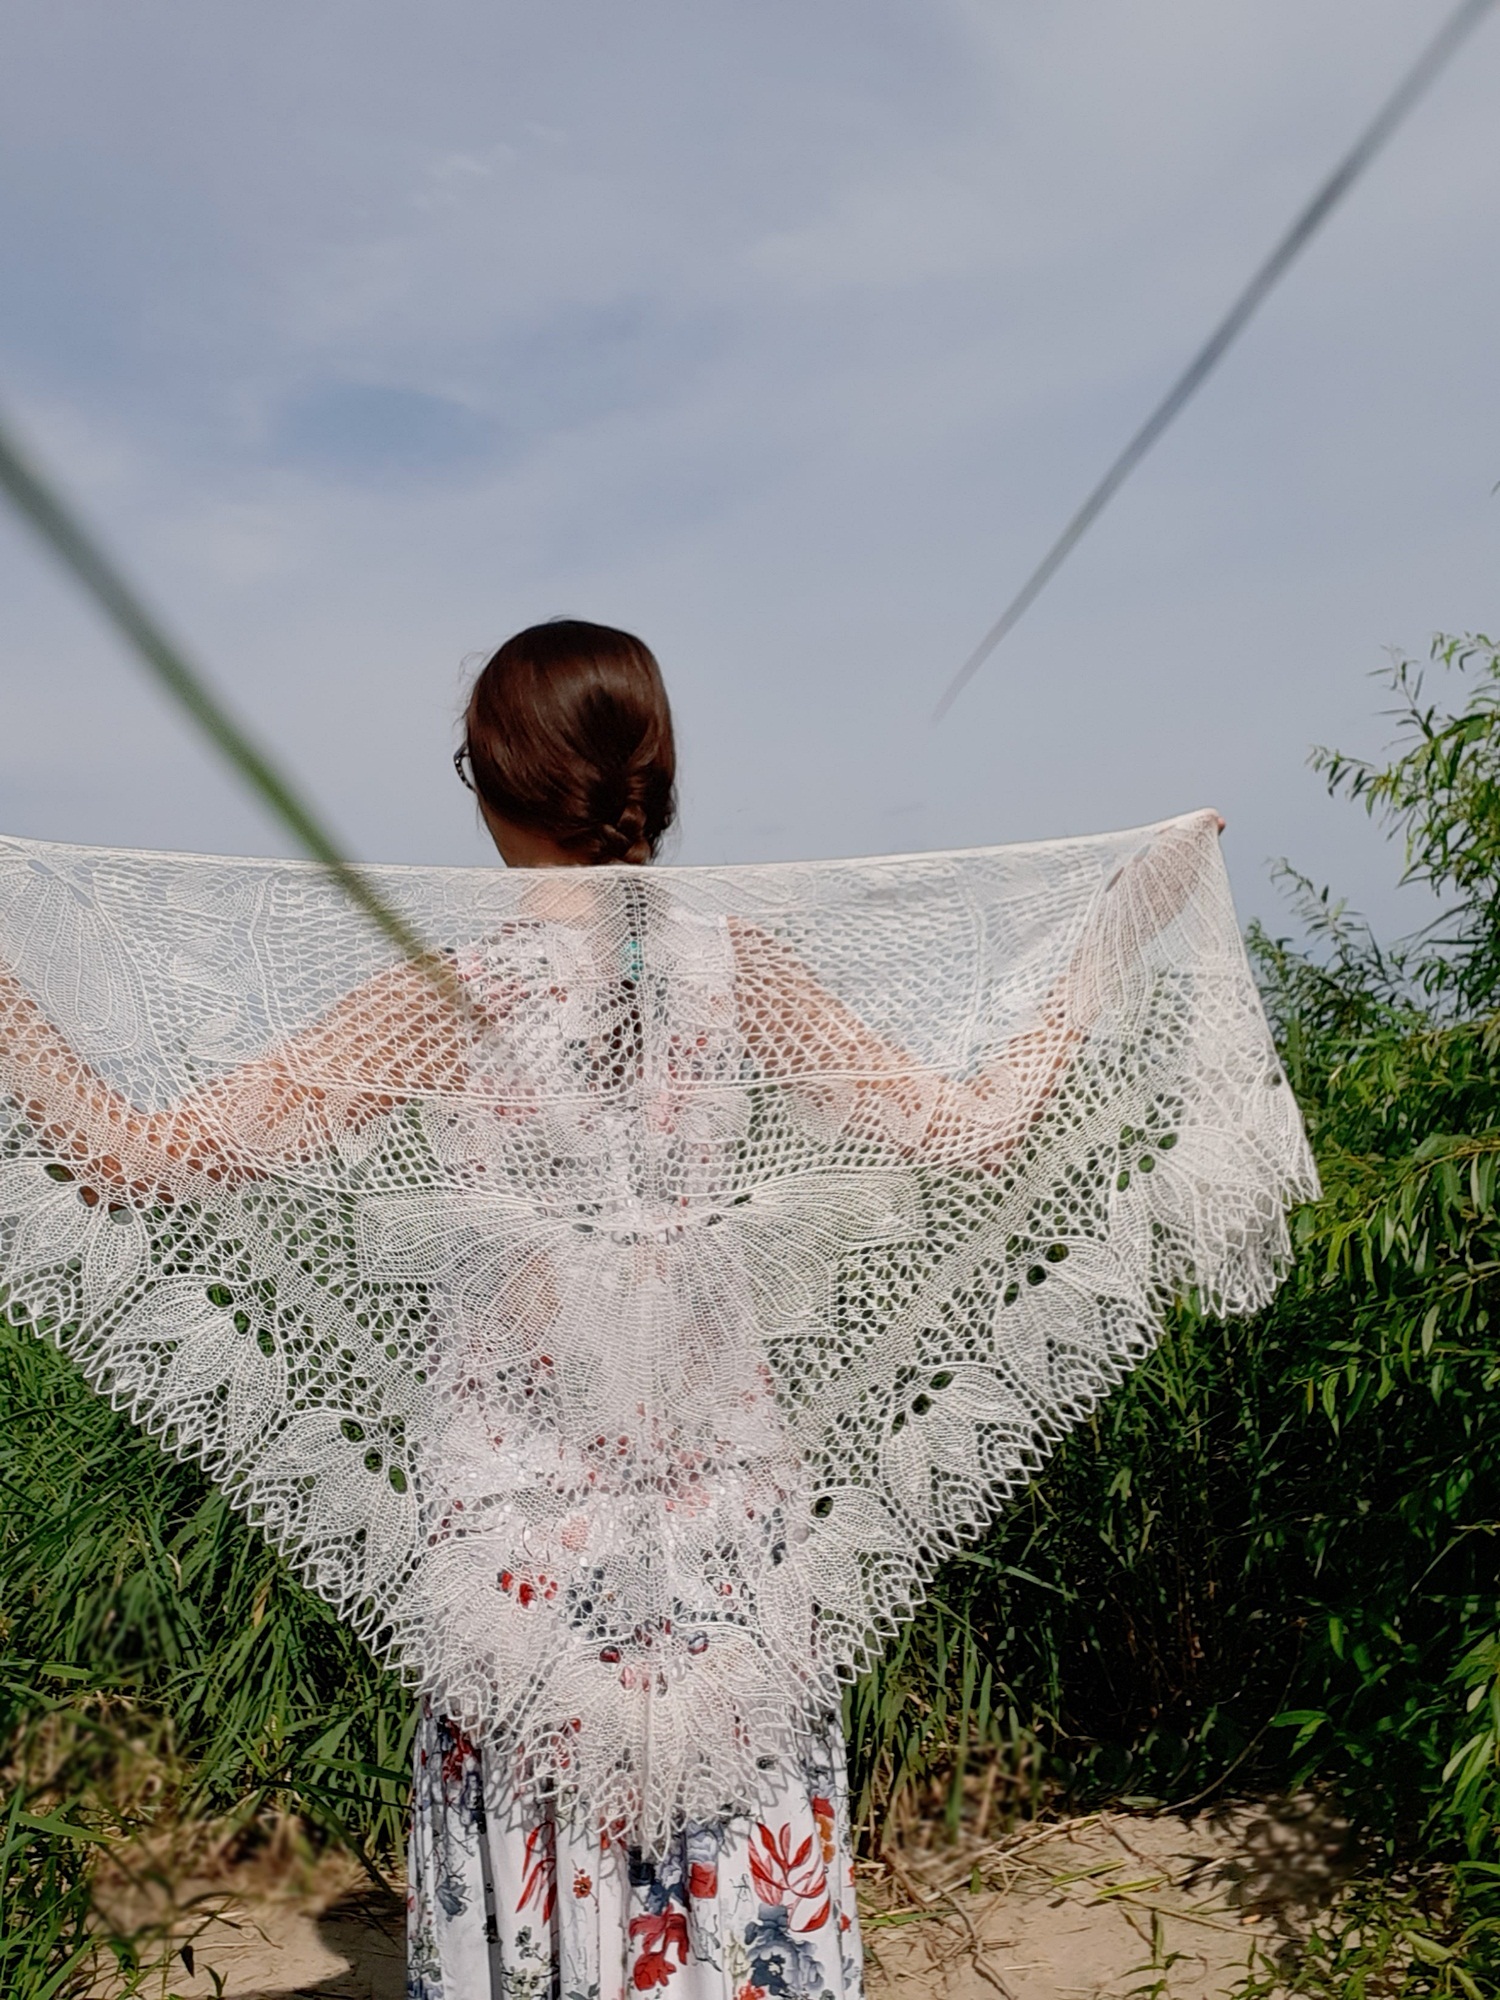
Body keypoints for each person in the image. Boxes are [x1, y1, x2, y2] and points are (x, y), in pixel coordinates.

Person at [0, 619, 1261, 2000]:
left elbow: (135, 1164)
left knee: (546, 1839)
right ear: (653, 782)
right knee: (737, 1850)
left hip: (520, 1547)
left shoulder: (447, 994)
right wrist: (1109, 935)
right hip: (730, 1533)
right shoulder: (746, 971)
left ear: (487, 777)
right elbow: (972, 1132)